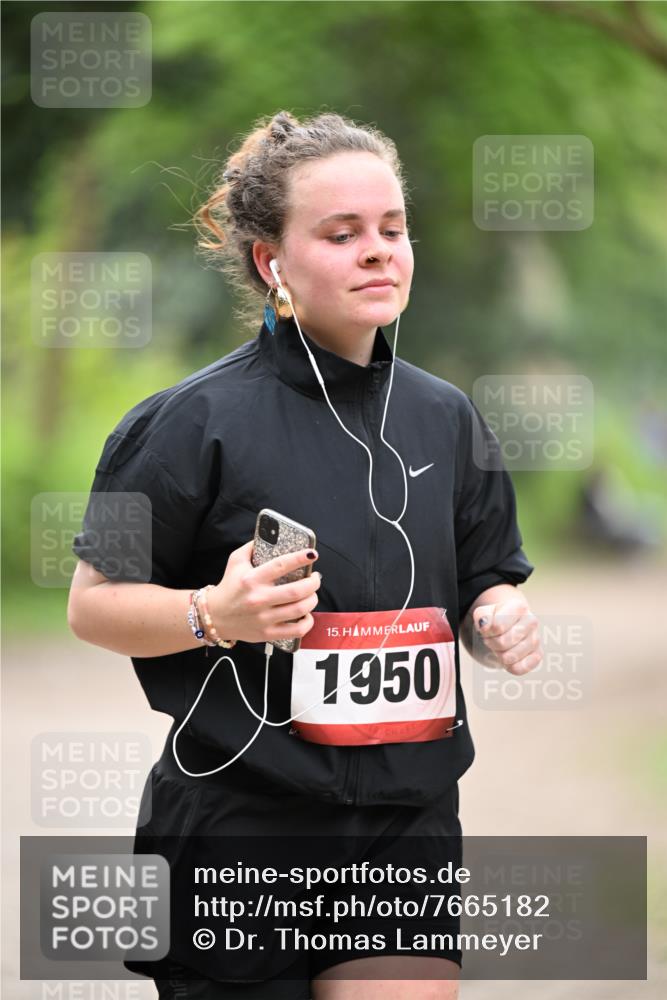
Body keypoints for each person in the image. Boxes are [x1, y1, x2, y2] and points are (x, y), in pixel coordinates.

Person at [67, 110, 542, 1000]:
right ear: (271, 264)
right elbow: (92, 607)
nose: (377, 251)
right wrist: (215, 613)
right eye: (342, 233)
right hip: (243, 819)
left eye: (392, 229)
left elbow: (488, 575)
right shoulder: (184, 425)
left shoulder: (447, 417)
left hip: (405, 819)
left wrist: (496, 614)